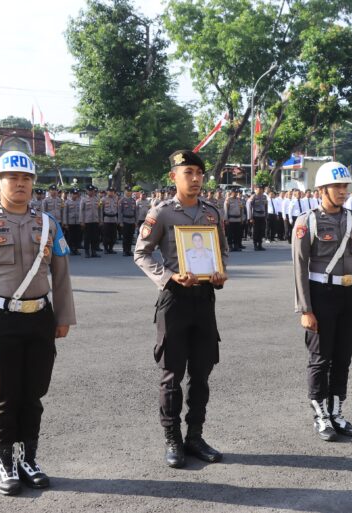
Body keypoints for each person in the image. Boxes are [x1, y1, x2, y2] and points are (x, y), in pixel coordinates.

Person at [0, 150, 76, 496]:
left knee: (34, 392)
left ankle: (29, 459)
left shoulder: (48, 223)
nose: (20, 184)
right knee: (6, 395)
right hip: (0, 319)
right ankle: (5, 462)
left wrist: (64, 316)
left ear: (33, 184)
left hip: (40, 317)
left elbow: (62, 273)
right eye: (12, 178)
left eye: (26, 179)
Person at [134, 149, 228, 469]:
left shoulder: (212, 213)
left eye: (200, 173)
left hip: (204, 300)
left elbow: (222, 252)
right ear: (173, 177)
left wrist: (219, 273)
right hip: (174, 300)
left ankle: (195, 436)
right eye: (189, 172)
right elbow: (142, 254)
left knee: (201, 373)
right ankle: (172, 438)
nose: (196, 178)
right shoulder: (161, 214)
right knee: (172, 374)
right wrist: (169, 276)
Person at [292, 161, 352, 442]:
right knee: (320, 359)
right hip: (321, 294)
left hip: (350, 295)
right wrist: (305, 308)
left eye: (344, 186)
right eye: (336, 186)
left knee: (343, 358)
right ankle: (321, 415)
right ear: (321, 189)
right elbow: (299, 267)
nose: (342, 191)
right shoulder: (307, 221)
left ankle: (337, 412)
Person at [247, 184, 268, 250]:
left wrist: (266, 215)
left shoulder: (264, 197)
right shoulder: (253, 197)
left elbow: (266, 207)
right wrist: (250, 217)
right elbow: (249, 207)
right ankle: (255, 244)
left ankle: (260, 244)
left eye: (261, 189)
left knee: (261, 230)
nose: (260, 190)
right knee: (256, 231)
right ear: (256, 189)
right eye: (259, 189)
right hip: (255, 216)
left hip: (262, 216)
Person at [118, 187, 138, 256]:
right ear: (125, 192)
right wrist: (120, 222)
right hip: (125, 220)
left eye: (130, 191)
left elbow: (135, 212)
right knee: (125, 237)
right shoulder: (122, 200)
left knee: (130, 236)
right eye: (127, 191)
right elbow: (120, 212)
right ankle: (125, 250)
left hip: (132, 220)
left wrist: (136, 221)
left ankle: (129, 250)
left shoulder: (133, 200)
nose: (129, 192)